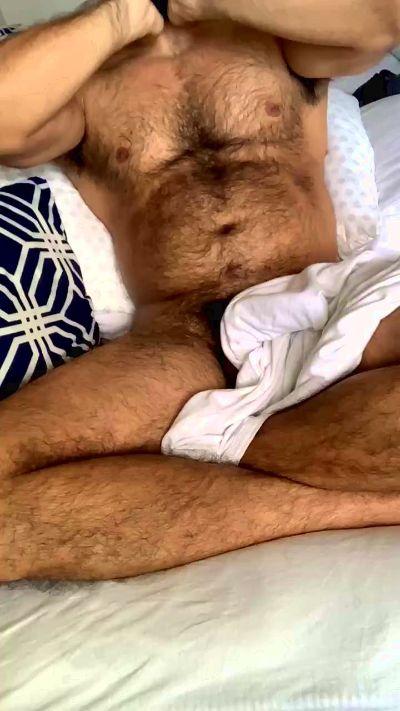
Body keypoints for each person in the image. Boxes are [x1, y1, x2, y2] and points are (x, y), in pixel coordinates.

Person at [1, 0, 400, 582]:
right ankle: (367, 506)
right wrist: (120, 16)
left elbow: (381, 24)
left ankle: (225, 441)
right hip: (185, 343)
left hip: (320, 301)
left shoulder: (273, 37)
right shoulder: (81, 73)